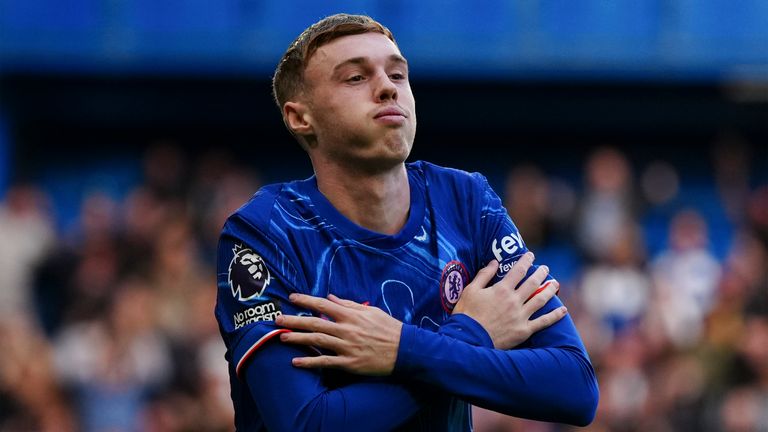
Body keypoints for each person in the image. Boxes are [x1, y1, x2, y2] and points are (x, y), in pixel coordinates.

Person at [215, 13, 598, 431]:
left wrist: (402, 349)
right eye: (356, 78)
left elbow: (575, 387)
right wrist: (471, 334)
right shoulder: (265, 232)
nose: (387, 87)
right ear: (300, 117)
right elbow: (307, 424)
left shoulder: (467, 201)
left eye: (397, 73)